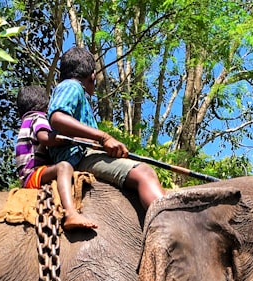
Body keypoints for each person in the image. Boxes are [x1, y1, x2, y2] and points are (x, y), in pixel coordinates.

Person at [48, 47, 166, 214]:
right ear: (92, 76)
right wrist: (104, 137)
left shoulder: (70, 89)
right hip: (79, 156)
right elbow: (57, 118)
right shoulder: (72, 86)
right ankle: (167, 224)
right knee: (144, 173)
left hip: (81, 154)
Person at [15, 84, 98, 230]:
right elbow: (45, 138)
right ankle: (70, 213)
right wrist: (72, 139)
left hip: (30, 173)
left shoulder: (26, 121)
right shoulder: (38, 118)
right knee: (64, 167)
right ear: (46, 105)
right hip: (33, 174)